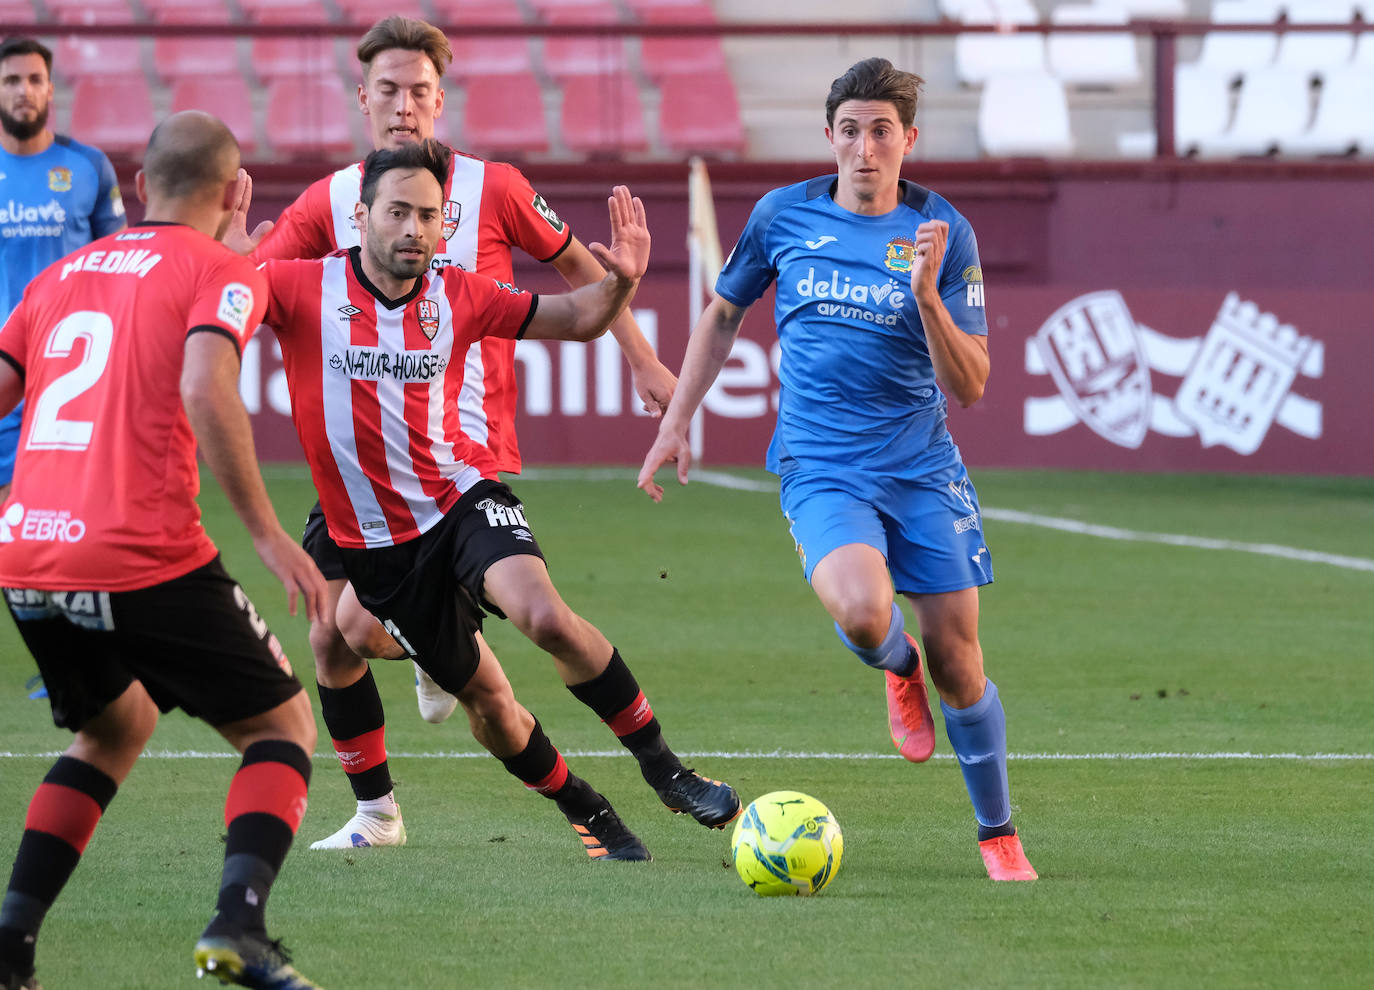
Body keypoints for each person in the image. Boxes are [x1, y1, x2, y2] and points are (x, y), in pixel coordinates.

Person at [228, 15, 686, 850]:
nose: (404, 106)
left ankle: (460, 651)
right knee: (332, 633)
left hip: (465, 454)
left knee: (476, 618)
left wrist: (644, 359)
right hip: (368, 477)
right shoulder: (332, 203)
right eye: (389, 91)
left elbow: (583, 280)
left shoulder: (495, 187)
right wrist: (217, 260)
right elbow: (245, 283)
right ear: (363, 98)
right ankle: (378, 807)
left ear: (442, 99)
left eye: (420, 92)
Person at [638, 57, 1037, 882]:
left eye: (881, 132)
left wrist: (927, 295)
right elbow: (722, 314)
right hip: (822, 465)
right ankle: (895, 669)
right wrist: (678, 419)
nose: (864, 148)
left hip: (923, 468)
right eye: (850, 131)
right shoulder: (782, 215)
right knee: (862, 612)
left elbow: (972, 386)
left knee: (961, 664)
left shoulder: (942, 231)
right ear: (830, 136)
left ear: (908, 140)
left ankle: (997, 834)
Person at [0, 112, 328, 990]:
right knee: (282, 728)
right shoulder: (219, 269)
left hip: (29, 556)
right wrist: (264, 531)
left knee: (117, 724)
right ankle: (240, 928)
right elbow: (201, 380)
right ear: (237, 194)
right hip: (140, 553)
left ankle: (10, 946)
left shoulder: (62, 276)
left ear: (140, 187)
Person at [0, 37, 126, 507]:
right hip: (2, 371)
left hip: (73, 371)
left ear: (51, 90)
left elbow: (118, 269)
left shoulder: (88, 168)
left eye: (34, 80)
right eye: (11, 80)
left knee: (67, 511)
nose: (23, 91)